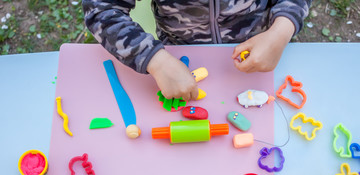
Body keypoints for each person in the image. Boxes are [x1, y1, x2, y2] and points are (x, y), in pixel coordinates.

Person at [82, 0, 311, 101]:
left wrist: (281, 31)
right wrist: (155, 60)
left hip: (264, 45)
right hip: (177, 54)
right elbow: (101, 9)